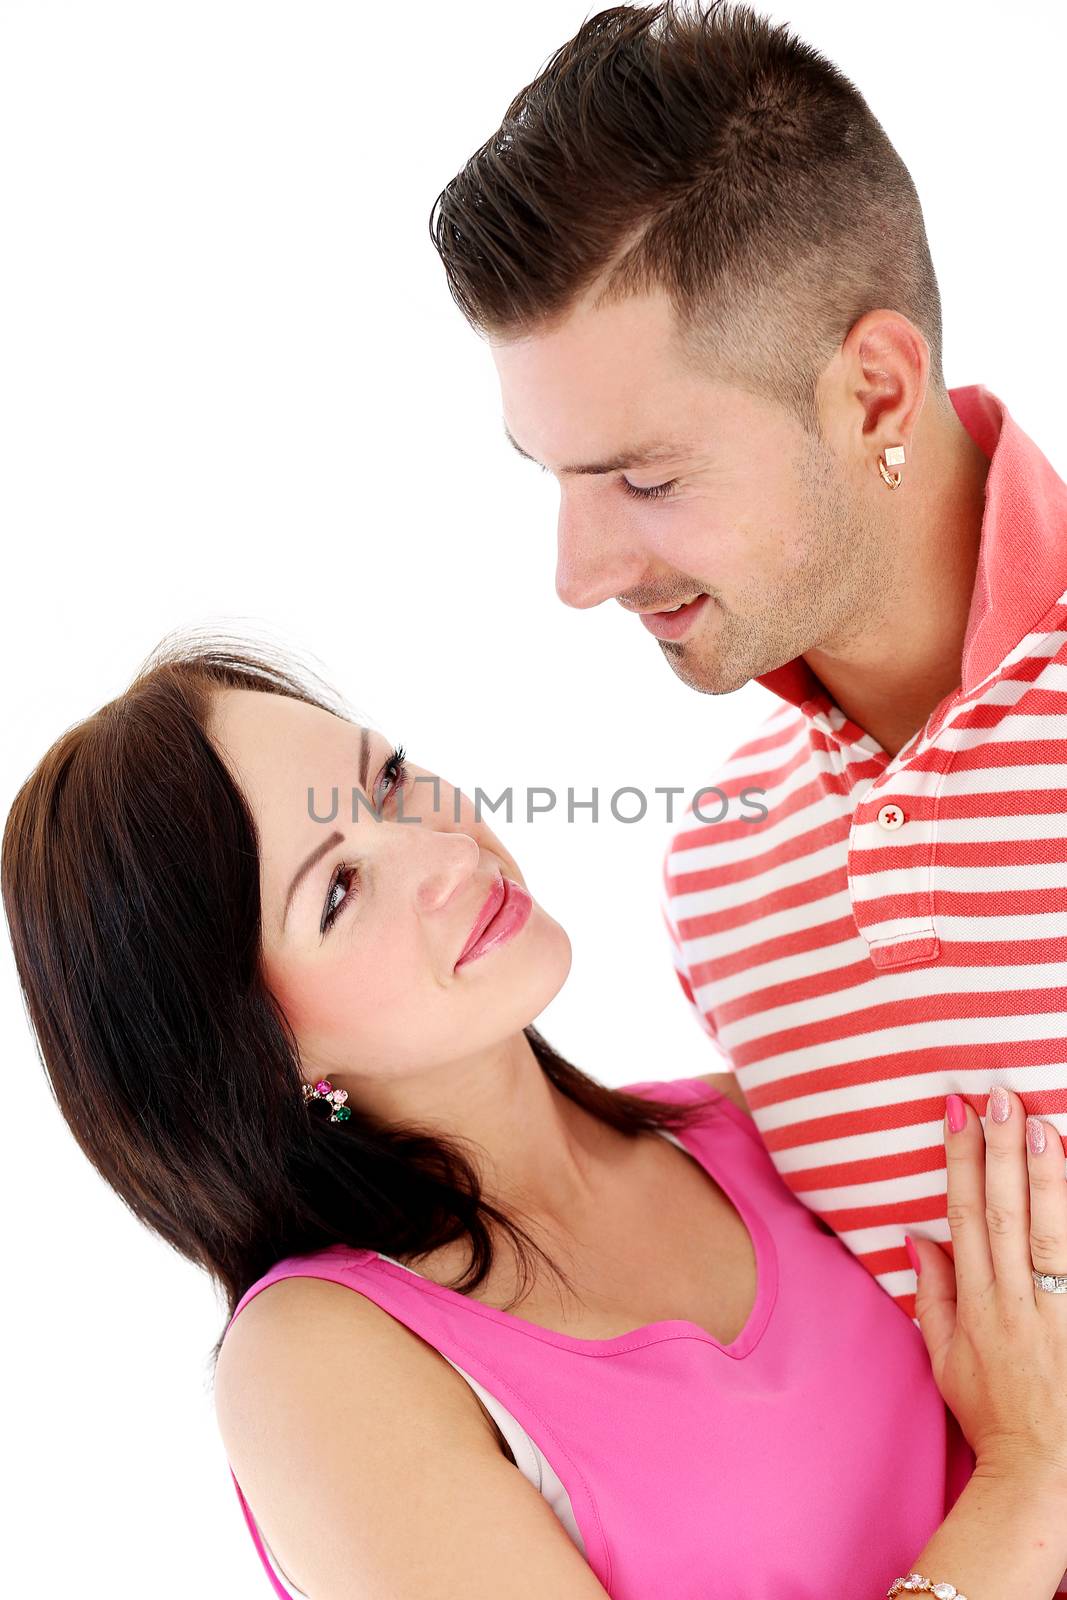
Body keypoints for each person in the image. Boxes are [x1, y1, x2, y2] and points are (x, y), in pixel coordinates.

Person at [3, 634, 1067, 1598]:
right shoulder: (315, 1360)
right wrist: (1023, 1472)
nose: (436, 851)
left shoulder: (748, 1125)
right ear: (252, 1055)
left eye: (386, 779)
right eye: (337, 890)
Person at [428, 0, 1067, 1324]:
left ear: (873, 396)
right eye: (552, 480)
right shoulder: (721, 882)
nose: (575, 573)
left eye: (644, 477)